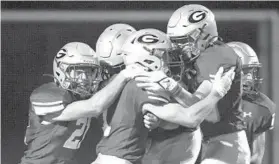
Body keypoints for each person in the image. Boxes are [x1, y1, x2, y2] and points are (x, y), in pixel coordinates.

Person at [136, 4, 250, 164]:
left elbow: (204, 109)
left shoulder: (217, 55)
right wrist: (159, 118)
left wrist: (171, 87)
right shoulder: (195, 60)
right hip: (205, 141)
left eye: (183, 41)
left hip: (226, 142)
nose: (178, 48)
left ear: (204, 34)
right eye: (175, 42)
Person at [20, 42, 103, 164]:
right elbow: (94, 106)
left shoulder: (87, 97)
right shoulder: (49, 93)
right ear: (61, 71)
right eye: (78, 71)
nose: (84, 78)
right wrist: (124, 75)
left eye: (90, 72)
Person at [227, 42, 276, 164]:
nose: (249, 78)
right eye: (244, 71)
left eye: (251, 71)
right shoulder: (205, 100)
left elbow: (256, 157)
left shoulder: (260, 106)